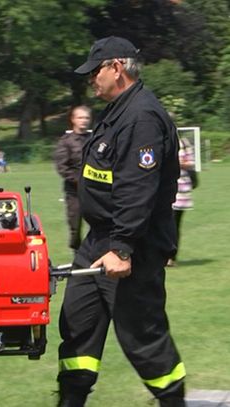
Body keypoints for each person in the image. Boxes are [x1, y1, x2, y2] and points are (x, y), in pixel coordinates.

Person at [56, 36, 186, 407]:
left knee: (142, 337)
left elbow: (137, 189)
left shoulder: (142, 116)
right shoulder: (116, 111)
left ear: (116, 67)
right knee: (78, 328)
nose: (91, 79)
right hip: (97, 242)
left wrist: (122, 248)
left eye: (95, 71)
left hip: (130, 248)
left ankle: (173, 401)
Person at [54, 106, 92, 252]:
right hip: (74, 191)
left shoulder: (95, 139)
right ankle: (77, 251)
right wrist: (79, 180)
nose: (84, 121)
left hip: (94, 190)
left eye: (86, 118)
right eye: (80, 117)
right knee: (75, 226)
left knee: (99, 223)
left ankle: (95, 252)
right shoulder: (66, 141)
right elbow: (62, 167)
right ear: (73, 120)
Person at [168, 137, 195, 267]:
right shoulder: (159, 140)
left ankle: (171, 257)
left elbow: (191, 163)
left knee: (174, 225)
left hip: (182, 190)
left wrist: (178, 163)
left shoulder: (184, 143)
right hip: (164, 189)